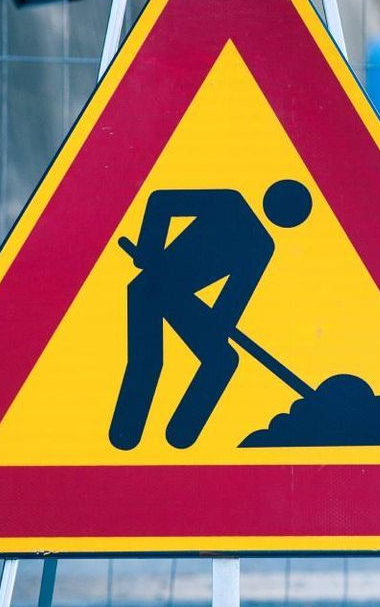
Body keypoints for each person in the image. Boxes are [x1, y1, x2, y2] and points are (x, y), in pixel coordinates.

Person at [109, 180, 314, 450]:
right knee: (148, 360)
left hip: (177, 298)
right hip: (149, 288)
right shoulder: (230, 204)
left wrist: (217, 325)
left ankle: (180, 436)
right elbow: (161, 201)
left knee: (222, 359)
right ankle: (125, 434)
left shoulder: (262, 246)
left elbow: (232, 302)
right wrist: (151, 247)